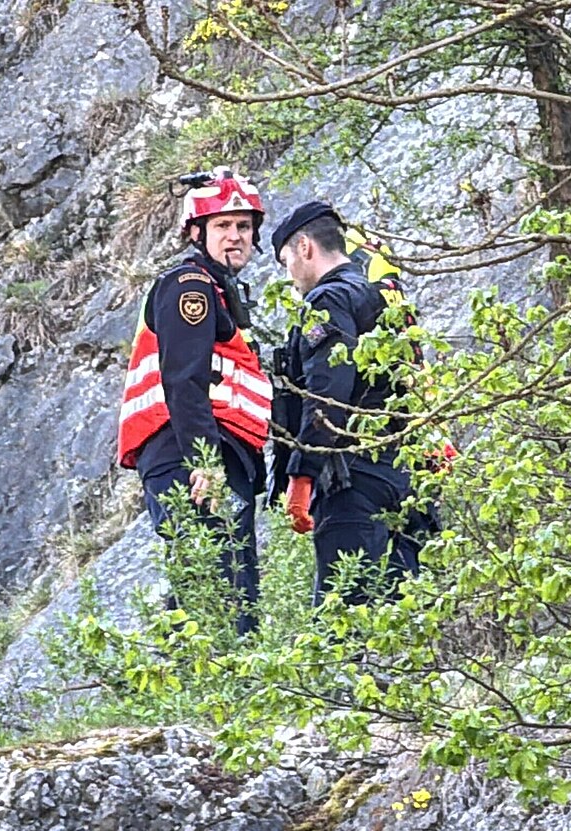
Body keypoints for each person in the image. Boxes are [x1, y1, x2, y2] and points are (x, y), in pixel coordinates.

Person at [115, 167, 271, 635]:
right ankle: (215, 694)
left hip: (204, 454)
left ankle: (206, 687)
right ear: (197, 232)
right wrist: (206, 461)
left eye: (244, 227)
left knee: (221, 585)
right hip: (192, 456)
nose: (236, 236)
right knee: (221, 592)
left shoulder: (224, 293)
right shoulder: (191, 287)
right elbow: (184, 380)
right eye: (223, 226)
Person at [269, 201, 431, 603]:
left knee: (344, 611)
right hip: (404, 472)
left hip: (353, 477)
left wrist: (303, 474)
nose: (289, 274)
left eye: (286, 259)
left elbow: (328, 390)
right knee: (403, 610)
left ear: (305, 247)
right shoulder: (382, 298)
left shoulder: (327, 301)